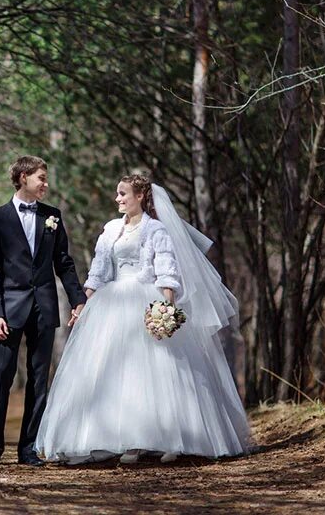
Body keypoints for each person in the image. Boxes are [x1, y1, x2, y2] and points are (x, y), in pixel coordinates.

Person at [35, 174, 250, 465]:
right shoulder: (111, 229)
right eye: (117, 194)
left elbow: (167, 271)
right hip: (111, 303)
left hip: (146, 299)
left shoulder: (156, 230)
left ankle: (170, 438)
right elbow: (98, 269)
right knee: (114, 370)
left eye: (123, 194)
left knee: (160, 372)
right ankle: (124, 439)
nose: (118, 199)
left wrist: (167, 310)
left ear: (139, 197)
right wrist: (83, 302)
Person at [0, 156, 88, 466]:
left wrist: (78, 298)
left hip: (44, 307)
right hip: (7, 312)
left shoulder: (53, 216)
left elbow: (63, 263)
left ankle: (28, 449)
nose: (45, 184)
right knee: (0, 379)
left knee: (40, 380)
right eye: (41, 177)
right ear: (23, 177)